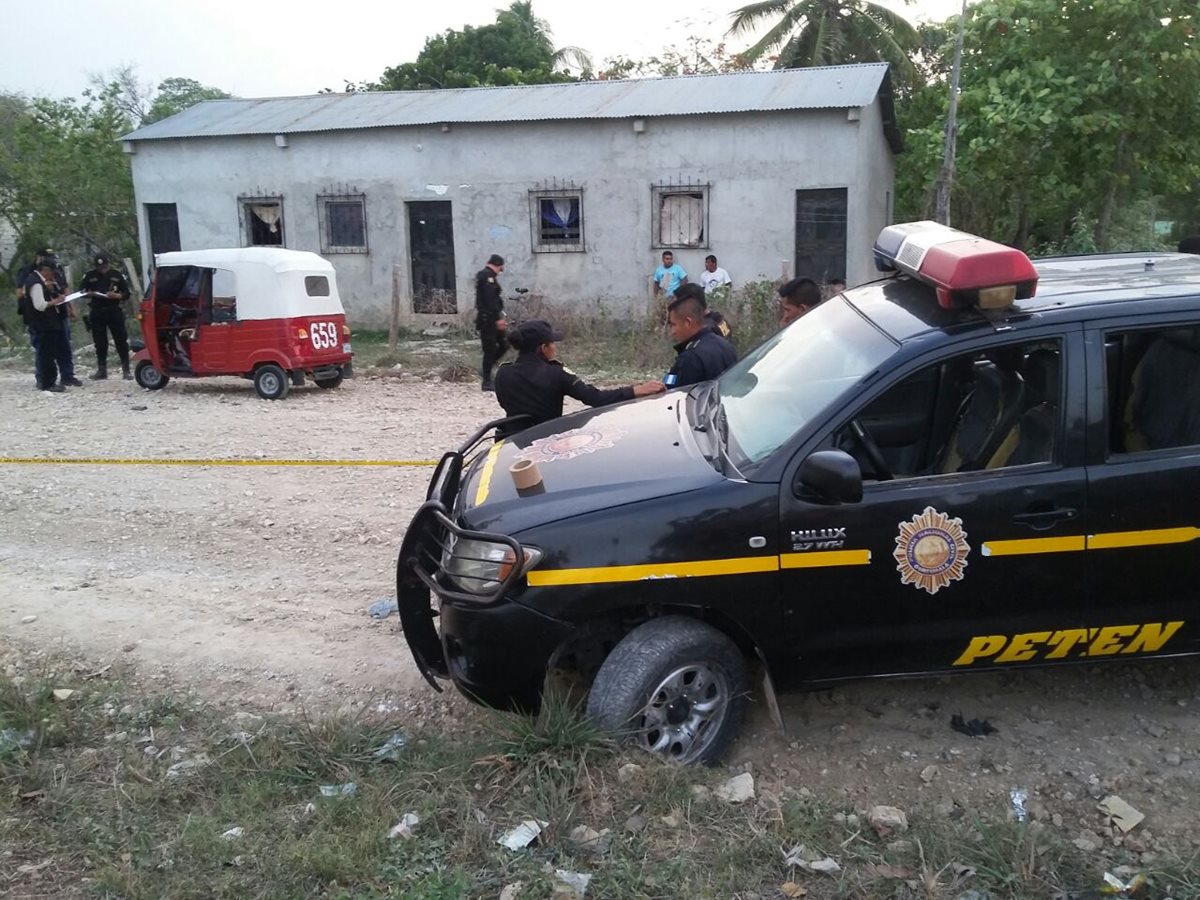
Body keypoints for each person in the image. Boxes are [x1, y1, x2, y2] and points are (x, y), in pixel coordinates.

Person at [494, 319, 665, 435]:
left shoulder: (503, 373)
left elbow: (505, 404)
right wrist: (636, 390)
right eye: (552, 343)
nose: (555, 347)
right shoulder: (556, 374)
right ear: (543, 348)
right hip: (546, 441)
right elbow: (596, 398)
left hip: (513, 442)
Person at [664, 290, 737, 388]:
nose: (672, 332)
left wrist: (666, 378)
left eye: (673, 325)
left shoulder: (691, 357)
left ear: (688, 322)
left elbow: (672, 386)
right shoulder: (726, 345)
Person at [81, 254, 133, 379]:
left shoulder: (116, 275)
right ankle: (102, 369)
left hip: (114, 310)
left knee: (120, 340)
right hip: (97, 311)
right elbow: (81, 292)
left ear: (108, 264)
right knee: (100, 342)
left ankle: (126, 370)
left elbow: (127, 293)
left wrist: (118, 296)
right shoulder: (90, 275)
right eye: (99, 267)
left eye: (104, 267)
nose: (102, 269)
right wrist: (91, 293)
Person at [24, 256, 71, 392]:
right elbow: (40, 305)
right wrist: (56, 301)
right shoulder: (36, 283)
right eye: (51, 271)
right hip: (43, 324)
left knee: (47, 353)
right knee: (46, 354)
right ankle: (48, 383)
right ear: (44, 270)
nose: (52, 275)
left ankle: (48, 381)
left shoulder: (38, 281)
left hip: (46, 324)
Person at [475, 253, 507, 391]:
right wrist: (497, 319)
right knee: (490, 349)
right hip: (488, 320)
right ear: (498, 266)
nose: (500, 272)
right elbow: (489, 301)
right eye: (500, 269)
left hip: (492, 317)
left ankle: (486, 369)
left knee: (504, 344)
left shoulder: (489, 276)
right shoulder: (487, 277)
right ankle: (486, 382)